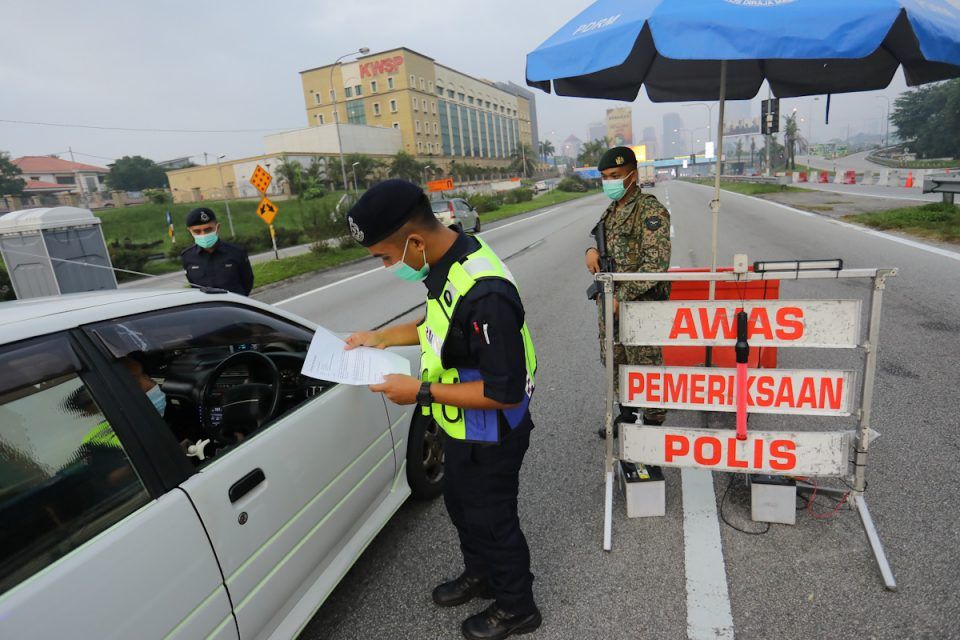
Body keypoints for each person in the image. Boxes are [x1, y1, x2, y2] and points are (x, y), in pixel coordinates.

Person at [344, 180, 541, 640]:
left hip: (491, 429)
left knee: (493, 519)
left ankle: (517, 606)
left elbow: (505, 390)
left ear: (413, 241)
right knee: (461, 504)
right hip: (461, 426)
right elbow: (439, 325)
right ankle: (481, 575)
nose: (388, 267)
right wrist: (381, 336)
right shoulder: (447, 259)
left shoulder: (486, 292)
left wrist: (420, 392)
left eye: (386, 258)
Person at [585, 146, 672, 438]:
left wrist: (622, 298)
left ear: (632, 175)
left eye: (615, 176)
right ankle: (626, 415)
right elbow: (605, 244)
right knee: (615, 360)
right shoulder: (612, 210)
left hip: (639, 306)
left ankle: (651, 425)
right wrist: (590, 251)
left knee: (644, 363)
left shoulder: (649, 209)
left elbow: (656, 264)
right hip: (610, 306)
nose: (609, 181)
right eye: (605, 177)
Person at [180, 207, 254, 295]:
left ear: (217, 228)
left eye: (208, 230)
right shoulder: (187, 256)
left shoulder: (237, 252)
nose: (203, 234)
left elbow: (247, 282)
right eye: (197, 231)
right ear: (190, 231)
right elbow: (193, 285)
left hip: (234, 305)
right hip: (208, 307)